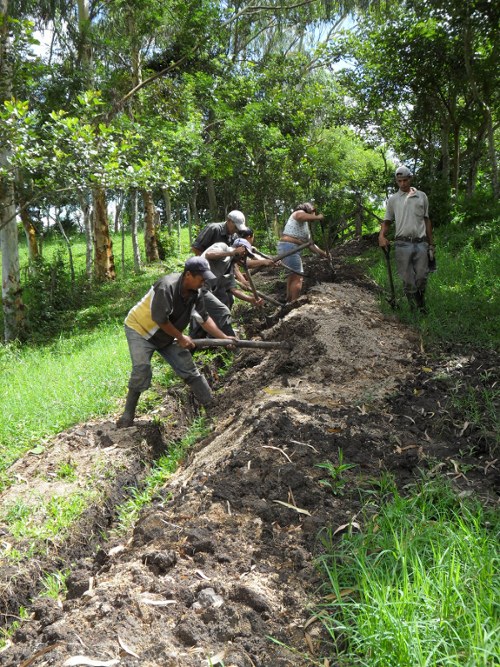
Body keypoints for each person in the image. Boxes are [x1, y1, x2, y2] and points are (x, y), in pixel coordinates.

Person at [117, 257, 235, 428]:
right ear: (188, 275)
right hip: (140, 329)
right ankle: (127, 417)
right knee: (141, 368)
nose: (203, 283)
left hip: (166, 336)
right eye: (201, 279)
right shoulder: (166, 287)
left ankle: (213, 407)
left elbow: (204, 318)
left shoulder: (197, 293)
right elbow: (160, 319)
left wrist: (223, 338)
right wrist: (180, 337)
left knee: (189, 369)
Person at [378, 165, 434, 312]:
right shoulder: (393, 199)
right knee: (408, 279)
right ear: (397, 181)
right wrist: (382, 236)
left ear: (410, 178)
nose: (402, 184)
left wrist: (431, 244)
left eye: (405, 180)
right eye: (399, 181)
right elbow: (387, 221)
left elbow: (427, 220)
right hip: (402, 243)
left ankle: (421, 304)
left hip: (421, 243)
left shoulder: (421, 196)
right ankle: (413, 308)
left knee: (422, 277)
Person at [203, 237, 275, 309]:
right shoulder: (223, 247)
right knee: (220, 310)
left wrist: (250, 299)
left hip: (206, 288)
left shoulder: (230, 267)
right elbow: (209, 254)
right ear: (239, 248)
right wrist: (231, 253)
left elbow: (233, 290)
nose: (244, 257)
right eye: (244, 253)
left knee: (225, 305)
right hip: (197, 283)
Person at [277, 202, 327, 302]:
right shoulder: (298, 213)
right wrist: (318, 217)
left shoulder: (305, 227)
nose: (313, 215)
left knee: (293, 274)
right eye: (313, 212)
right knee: (298, 277)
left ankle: (288, 299)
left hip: (290, 248)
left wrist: (324, 254)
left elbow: (310, 245)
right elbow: (300, 216)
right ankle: (293, 302)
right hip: (289, 247)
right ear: (309, 210)